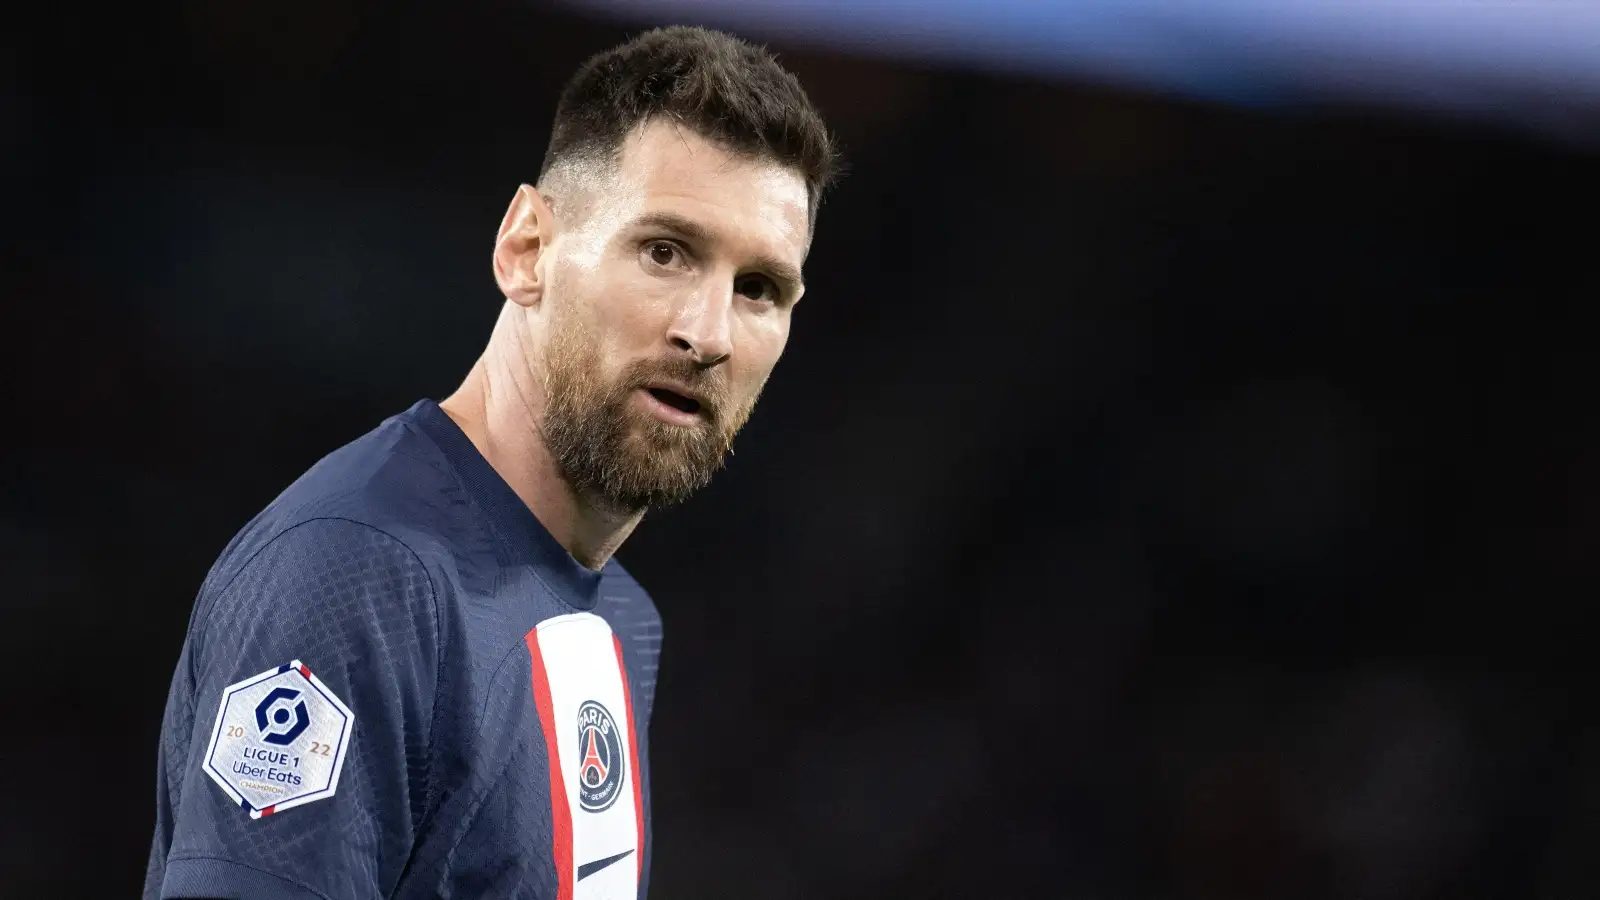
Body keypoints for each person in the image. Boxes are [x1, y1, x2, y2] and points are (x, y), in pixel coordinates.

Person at [143, 25, 838, 900]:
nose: (707, 333)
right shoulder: (356, 579)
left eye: (759, 290)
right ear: (527, 249)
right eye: (664, 252)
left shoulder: (619, 617)